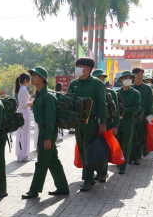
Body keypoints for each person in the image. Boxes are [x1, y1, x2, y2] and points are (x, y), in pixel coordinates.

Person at [22, 67, 69, 199]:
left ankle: (34, 190)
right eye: (32, 75)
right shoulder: (39, 94)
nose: (32, 78)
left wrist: (48, 138)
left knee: (42, 161)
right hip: (43, 130)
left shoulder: (48, 96)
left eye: (35, 75)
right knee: (53, 160)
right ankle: (63, 187)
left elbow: (51, 119)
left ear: (42, 78)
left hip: (47, 131)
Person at [67, 57, 107, 192]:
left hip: (92, 122)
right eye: (77, 66)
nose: (78, 69)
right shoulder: (74, 84)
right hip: (78, 122)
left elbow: (102, 103)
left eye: (81, 66)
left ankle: (88, 180)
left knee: (89, 150)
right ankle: (89, 177)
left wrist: (103, 123)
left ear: (88, 69)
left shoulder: (96, 84)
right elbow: (69, 101)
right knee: (83, 150)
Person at [92, 69, 120, 182]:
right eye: (98, 78)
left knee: (103, 150)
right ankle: (96, 172)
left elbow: (116, 111)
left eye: (102, 78)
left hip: (106, 123)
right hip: (92, 124)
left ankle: (103, 173)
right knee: (94, 150)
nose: (100, 80)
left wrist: (115, 125)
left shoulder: (111, 93)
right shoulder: (90, 92)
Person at [115, 71, 141, 174]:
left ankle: (123, 166)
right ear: (120, 80)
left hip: (129, 120)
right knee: (117, 143)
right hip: (117, 121)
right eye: (125, 78)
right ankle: (118, 161)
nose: (128, 80)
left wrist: (123, 110)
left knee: (126, 143)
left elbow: (137, 107)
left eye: (130, 78)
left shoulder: (135, 93)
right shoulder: (116, 93)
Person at [129, 68, 153, 165]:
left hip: (142, 117)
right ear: (133, 75)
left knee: (141, 137)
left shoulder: (147, 89)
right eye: (137, 74)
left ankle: (137, 157)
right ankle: (130, 156)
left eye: (141, 74)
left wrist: (150, 116)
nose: (140, 76)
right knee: (131, 137)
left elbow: (150, 103)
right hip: (131, 116)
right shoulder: (130, 87)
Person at [15, 73, 33, 162]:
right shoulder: (23, 89)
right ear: (26, 80)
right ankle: (22, 155)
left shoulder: (22, 89)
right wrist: (33, 102)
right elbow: (23, 104)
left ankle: (24, 155)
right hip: (24, 113)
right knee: (24, 134)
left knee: (24, 133)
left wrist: (31, 101)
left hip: (25, 112)